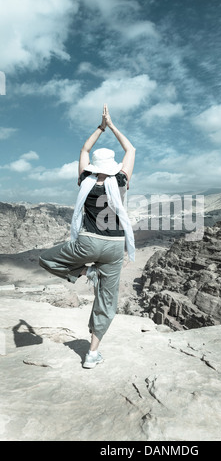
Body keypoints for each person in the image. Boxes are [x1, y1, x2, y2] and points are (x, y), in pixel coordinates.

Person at [39, 104, 136, 369]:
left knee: (45, 259)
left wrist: (100, 127)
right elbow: (131, 150)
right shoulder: (121, 181)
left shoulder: (85, 181)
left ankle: (84, 273)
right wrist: (113, 126)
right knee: (107, 299)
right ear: (114, 167)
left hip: (88, 243)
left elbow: (83, 150)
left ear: (94, 166)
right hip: (116, 248)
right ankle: (92, 354)